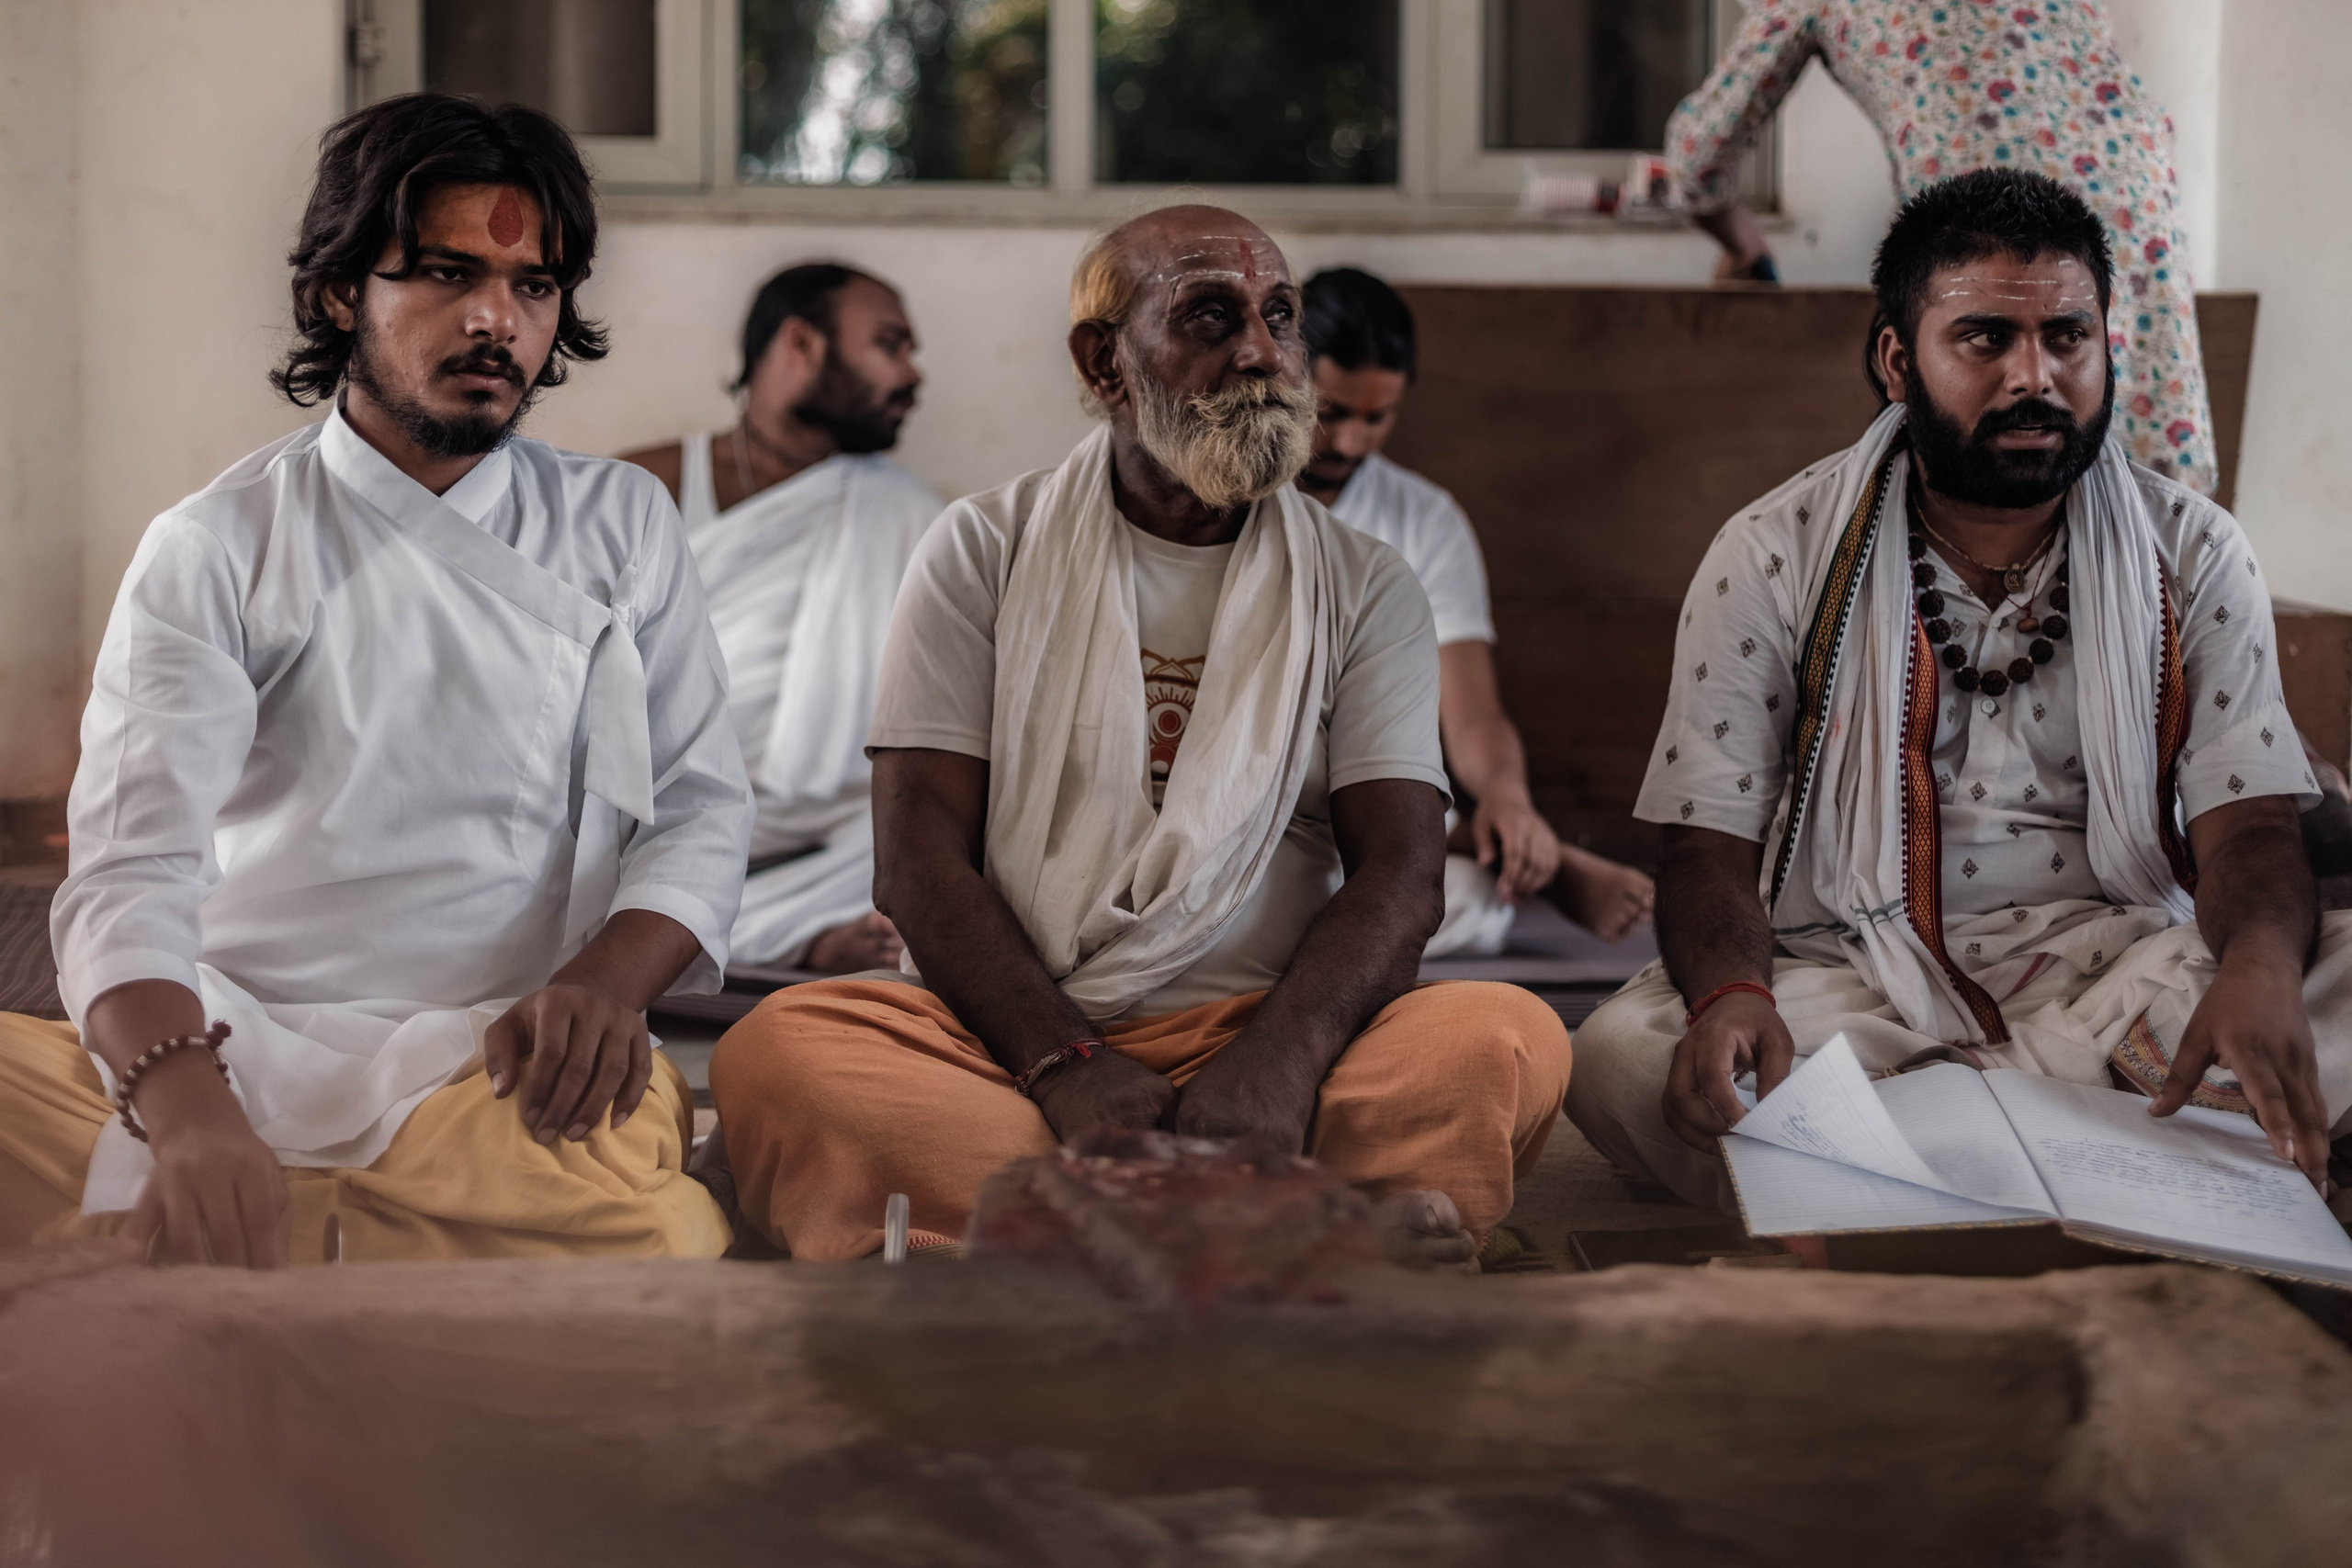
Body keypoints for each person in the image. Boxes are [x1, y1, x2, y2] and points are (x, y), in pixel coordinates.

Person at [706, 207, 1574, 1263]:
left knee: (1502, 1038)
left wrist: (1278, 1066)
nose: (1259, 351)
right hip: (1012, 1045)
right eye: (1211, 316)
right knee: (778, 1056)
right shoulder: (981, 549)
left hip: (1264, 1032)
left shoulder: (1366, 583)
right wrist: (1067, 1065)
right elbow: (917, 857)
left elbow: (1401, 868)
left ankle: (1053, 1236)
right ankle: (1293, 1231)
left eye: (1279, 316)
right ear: (1104, 362)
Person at [0, 95, 752, 1267]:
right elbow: (128, 874)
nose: (497, 319)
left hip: (503, 1063)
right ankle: (306, 1234)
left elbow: (701, 810)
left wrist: (606, 990)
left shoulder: (621, 525)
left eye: (534, 286)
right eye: (447, 275)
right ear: (340, 292)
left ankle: (227, 1248)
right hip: (231, 1043)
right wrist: (190, 1115)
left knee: (642, 1236)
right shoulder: (218, 545)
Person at [1568, 169, 2352, 1215]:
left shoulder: (2193, 551)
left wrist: (2254, 967)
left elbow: (2247, 830)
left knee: (2310, 969)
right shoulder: (1772, 552)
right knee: (1617, 1054)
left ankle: (1900, 1177)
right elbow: (1708, 845)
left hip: (2122, 965)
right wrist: (1733, 996)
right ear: (1899, 360)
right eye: (1985, 338)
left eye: (2068, 337)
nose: (2036, 376)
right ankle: (2120, 1167)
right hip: (1849, 974)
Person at [1665, 0, 2218, 495]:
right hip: (2135, 182)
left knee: (1981, 474)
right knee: (2152, 482)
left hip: (1985, 199)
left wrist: (1744, 247)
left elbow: (1696, 156)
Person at [1296, 266, 1656, 956]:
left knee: (1476, 904)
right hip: (1257, 797)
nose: (1350, 443)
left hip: (1372, 807)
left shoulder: (1425, 518)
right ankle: (1506, 856)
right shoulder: (1232, 502)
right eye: (1331, 412)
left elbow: (1471, 711)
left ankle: (1495, 848)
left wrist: (1507, 798)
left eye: (1377, 418)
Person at [622, 265, 941, 975]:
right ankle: (782, 940)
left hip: (836, 839)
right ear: (801, 343)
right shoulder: (646, 490)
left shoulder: (909, 514)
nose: (913, 374)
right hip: (657, 816)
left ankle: (791, 936)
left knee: (949, 826)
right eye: (890, 345)